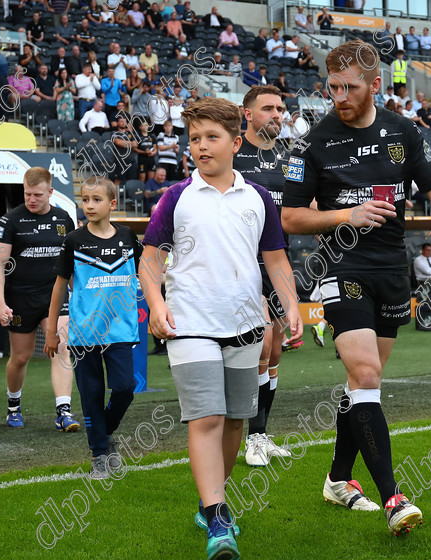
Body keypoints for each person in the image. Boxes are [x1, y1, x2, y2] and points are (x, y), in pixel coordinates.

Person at [281, 39, 431, 534]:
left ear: (375, 85)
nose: (338, 94)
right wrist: (346, 214)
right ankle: (393, 499)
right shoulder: (313, 142)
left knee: (363, 384)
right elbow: (290, 216)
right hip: (341, 268)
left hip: (391, 272)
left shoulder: (404, 131)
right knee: (365, 376)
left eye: (349, 86)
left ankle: (339, 478)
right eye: (333, 85)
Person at [140, 97, 302, 560]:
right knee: (207, 418)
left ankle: (212, 498)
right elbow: (150, 259)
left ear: (235, 142)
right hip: (190, 322)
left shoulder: (259, 200)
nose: (201, 147)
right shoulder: (175, 198)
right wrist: (155, 304)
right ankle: (217, 519)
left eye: (211, 138)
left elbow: (276, 259)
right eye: (194, 139)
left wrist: (290, 304)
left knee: (235, 420)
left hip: (247, 323)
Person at [45, 177, 141, 478]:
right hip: (84, 333)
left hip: (121, 328)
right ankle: (99, 453)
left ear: (112, 204)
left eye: (96, 199)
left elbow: (148, 273)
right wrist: (51, 331)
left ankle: (103, 431)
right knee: (91, 393)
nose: (89, 205)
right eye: (85, 199)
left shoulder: (127, 236)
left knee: (125, 388)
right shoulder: (73, 240)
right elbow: (59, 287)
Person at [233, 85, 294, 467]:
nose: (276, 114)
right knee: (260, 346)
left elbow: (302, 208)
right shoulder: (233, 155)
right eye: (268, 108)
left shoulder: (292, 158)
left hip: (277, 263)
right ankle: (251, 437)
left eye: (281, 108)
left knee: (273, 352)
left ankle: (262, 434)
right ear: (248, 113)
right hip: (242, 266)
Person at [0, 167, 78, 430]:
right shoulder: (10, 221)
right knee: (21, 356)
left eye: (37, 195)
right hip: (20, 299)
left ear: (50, 192)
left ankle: (64, 412)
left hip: (54, 297)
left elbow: (71, 264)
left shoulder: (64, 219)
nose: (31, 199)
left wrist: (80, 298)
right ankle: (13, 405)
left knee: (62, 347)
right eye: (27, 194)